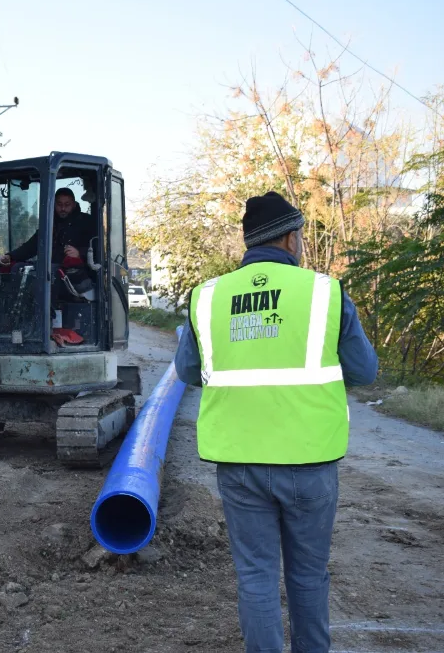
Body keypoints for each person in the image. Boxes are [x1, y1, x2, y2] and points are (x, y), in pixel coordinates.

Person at [174, 191, 378, 653]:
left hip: (239, 462)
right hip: (309, 460)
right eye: (301, 236)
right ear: (290, 239)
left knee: (256, 576)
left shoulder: (207, 297)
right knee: (307, 575)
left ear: (250, 243)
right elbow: (364, 372)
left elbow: (188, 372)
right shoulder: (325, 292)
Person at [0, 188, 95, 266]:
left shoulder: (86, 221)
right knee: (18, 268)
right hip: (50, 274)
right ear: (54, 204)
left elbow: (97, 249)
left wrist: (79, 253)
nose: (63, 209)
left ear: (73, 204)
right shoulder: (49, 223)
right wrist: (10, 256)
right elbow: (32, 246)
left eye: (67, 205)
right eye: (59, 204)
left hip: (77, 275)